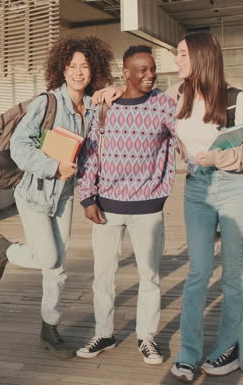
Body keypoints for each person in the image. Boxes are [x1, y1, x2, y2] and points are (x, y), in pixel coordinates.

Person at [0, 36, 112, 358]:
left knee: (58, 267)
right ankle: (7, 249)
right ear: (62, 69)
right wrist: (53, 167)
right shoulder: (47, 103)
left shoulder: (90, 108)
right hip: (35, 194)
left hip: (65, 197)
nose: (78, 72)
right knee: (48, 258)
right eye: (72, 66)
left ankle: (48, 328)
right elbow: (20, 146)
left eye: (84, 66)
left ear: (93, 69)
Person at [166, 32, 243, 382]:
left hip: (232, 186)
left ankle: (229, 347)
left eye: (182, 54)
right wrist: (113, 91)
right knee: (197, 274)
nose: (176, 61)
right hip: (196, 188)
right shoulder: (176, 95)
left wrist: (220, 156)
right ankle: (188, 353)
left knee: (233, 274)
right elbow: (145, 108)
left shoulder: (235, 97)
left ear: (201, 57)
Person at [75, 45, 177, 365]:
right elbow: (89, 155)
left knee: (150, 277)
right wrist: (87, 198)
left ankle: (146, 337)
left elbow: (182, 143)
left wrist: (162, 191)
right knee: (102, 275)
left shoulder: (165, 105)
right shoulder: (105, 106)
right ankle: (103, 333)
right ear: (126, 72)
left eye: (152, 69)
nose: (150, 75)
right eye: (142, 70)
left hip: (148, 207)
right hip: (106, 205)